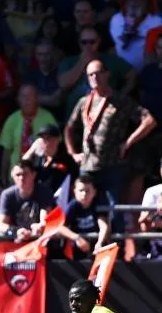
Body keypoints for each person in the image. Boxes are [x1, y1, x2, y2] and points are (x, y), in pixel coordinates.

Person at [65, 59, 157, 210]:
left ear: (107, 75)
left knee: (113, 209)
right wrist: (73, 153)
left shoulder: (120, 100)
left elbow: (149, 121)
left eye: (97, 73)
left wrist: (128, 143)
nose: (94, 78)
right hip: (88, 166)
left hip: (113, 165)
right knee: (84, 208)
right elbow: (69, 128)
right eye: (90, 75)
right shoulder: (83, 102)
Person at [0, 85, 58, 183]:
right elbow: (6, 152)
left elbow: (56, 146)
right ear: (18, 99)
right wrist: (3, 178)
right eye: (23, 97)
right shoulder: (12, 120)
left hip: (40, 177)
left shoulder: (48, 118)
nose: (26, 100)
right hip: (16, 177)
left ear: (36, 98)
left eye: (30, 96)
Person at [0, 160, 54, 242]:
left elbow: (45, 219)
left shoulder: (43, 192)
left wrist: (40, 226)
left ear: (34, 175)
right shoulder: (7, 195)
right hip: (15, 242)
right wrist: (16, 231)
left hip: (38, 241)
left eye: (25, 174)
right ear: (12, 176)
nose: (21, 178)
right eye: (18, 175)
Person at [59, 174, 110, 257]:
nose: (84, 194)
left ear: (94, 192)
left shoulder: (97, 204)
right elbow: (61, 227)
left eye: (87, 191)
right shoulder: (72, 206)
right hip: (77, 247)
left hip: (96, 246)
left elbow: (103, 225)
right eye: (81, 190)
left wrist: (99, 243)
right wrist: (77, 238)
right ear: (75, 191)